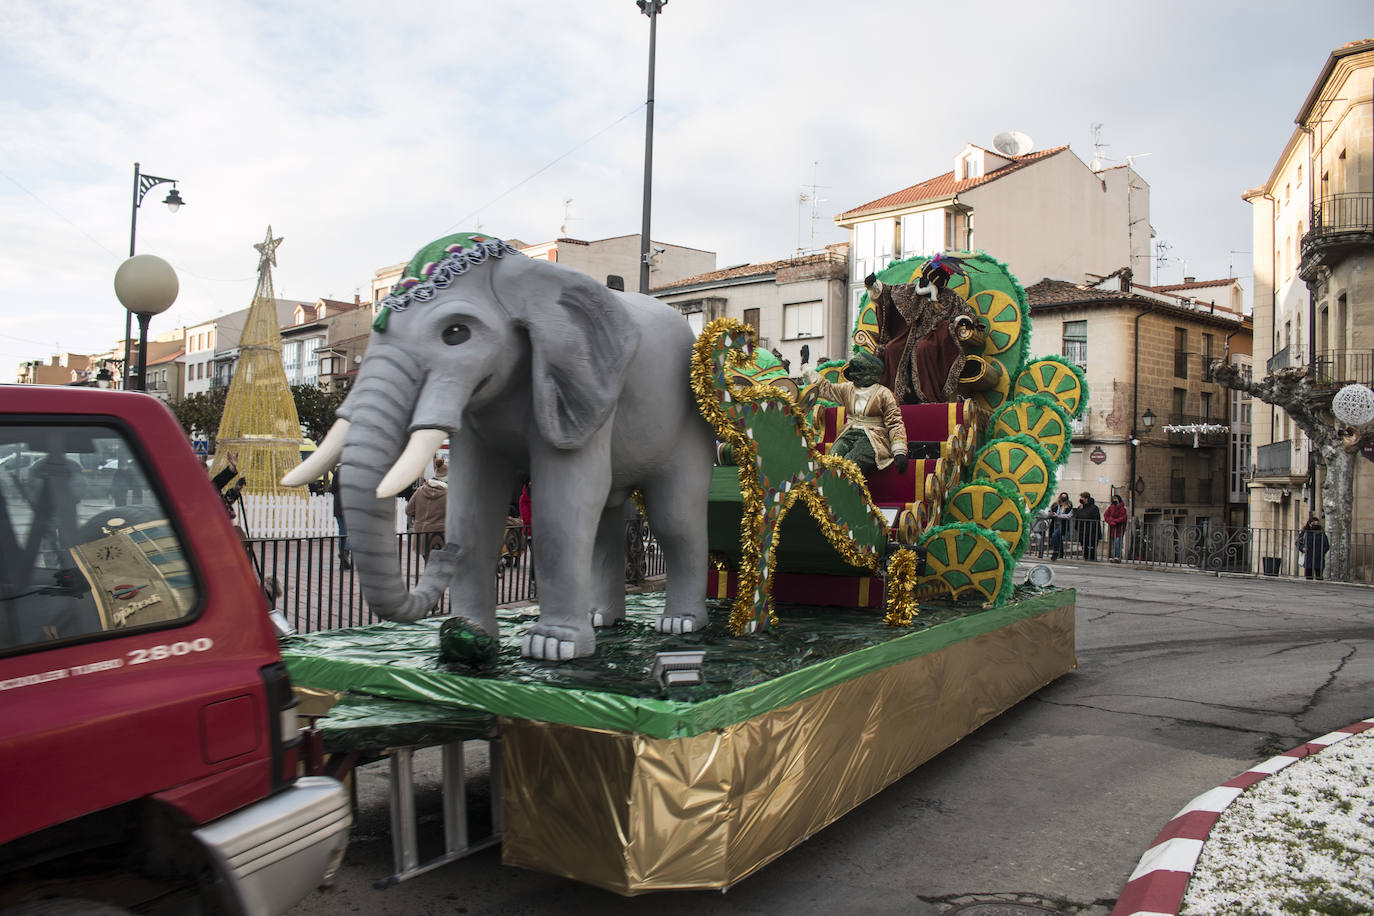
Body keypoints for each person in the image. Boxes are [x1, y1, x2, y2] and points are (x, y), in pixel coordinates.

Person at [865, 253, 980, 405]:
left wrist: (962, 320)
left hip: (934, 339)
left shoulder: (950, 297)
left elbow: (966, 314)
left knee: (924, 348)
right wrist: (874, 287)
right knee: (891, 349)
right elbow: (887, 293)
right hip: (906, 337)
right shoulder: (908, 291)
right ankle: (893, 398)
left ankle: (929, 397)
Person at [801, 350, 909, 475]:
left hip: (873, 439)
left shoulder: (884, 394)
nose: (854, 374)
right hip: (848, 434)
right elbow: (826, 388)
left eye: (858, 370)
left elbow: (895, 424)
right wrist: (806, 366)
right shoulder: (848, 388)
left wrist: (899, 452)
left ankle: (850, 493)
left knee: (850, 463)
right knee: (831, 460)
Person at [405, 456, 448, 560]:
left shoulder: (420, 491)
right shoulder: (449, 494)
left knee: (428, 564)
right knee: (439, 568)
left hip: (422, 537)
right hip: (440, 537)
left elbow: (408, 510)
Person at [329, 464, 350, 570]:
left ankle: (343, 556)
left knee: (342, 532)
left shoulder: (339, 471)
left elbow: (333, 489)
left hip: (339, 506)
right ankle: (346, 550)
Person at [1297, 516, 1330, 580]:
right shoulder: (1305, 532)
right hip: (1309, 556)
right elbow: (1298, 542)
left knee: (1319, 576)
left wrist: (1321, 552)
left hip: (1319, 557)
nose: (1315, 525)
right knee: (1309, 576)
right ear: (1309, 524)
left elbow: (1326, 545)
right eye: (1313, 524)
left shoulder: (1321, 533)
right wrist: (1302, 548)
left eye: (1316, 524)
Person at [1074, 492, 1102, 561]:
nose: (1081, 499)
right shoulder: (1080, 507)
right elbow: (1077, 517)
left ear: (1086, 499)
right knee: (1084, 547)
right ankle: (1086, 558)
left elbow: (1095, 519)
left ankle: (1092, 559)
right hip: (1082, 531)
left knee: (1091, 548)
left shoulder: (1094, 508)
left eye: (1082, 498)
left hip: (1091, 532)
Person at [1104, 494, 1129, 563]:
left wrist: (1115, 521)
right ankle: (1113, 556)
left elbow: (1123, 518)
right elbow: (1106, 515)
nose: (1115, 500)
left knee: (1118, 543)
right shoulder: (1111, 507)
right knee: (1113, 543)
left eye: (1116, 499)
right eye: (1113, 499)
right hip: (1112, 528)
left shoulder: (1122, 509)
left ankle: (1117, 557)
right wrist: (1110, 521)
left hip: (1119, 529)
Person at [1049, 492, 1073, 560]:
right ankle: (1061, 553)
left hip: (1062, 525)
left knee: (1054, 536)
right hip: (1054, 524)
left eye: (1065, 497)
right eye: (1062, 496)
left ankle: (1055, 551)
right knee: (1058, 539)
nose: (1063, 498)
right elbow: (1050, 510)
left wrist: (1059, 516)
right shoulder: (1055, 504)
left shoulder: (1069, 505)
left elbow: (1069, 515)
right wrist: (1051, 514)